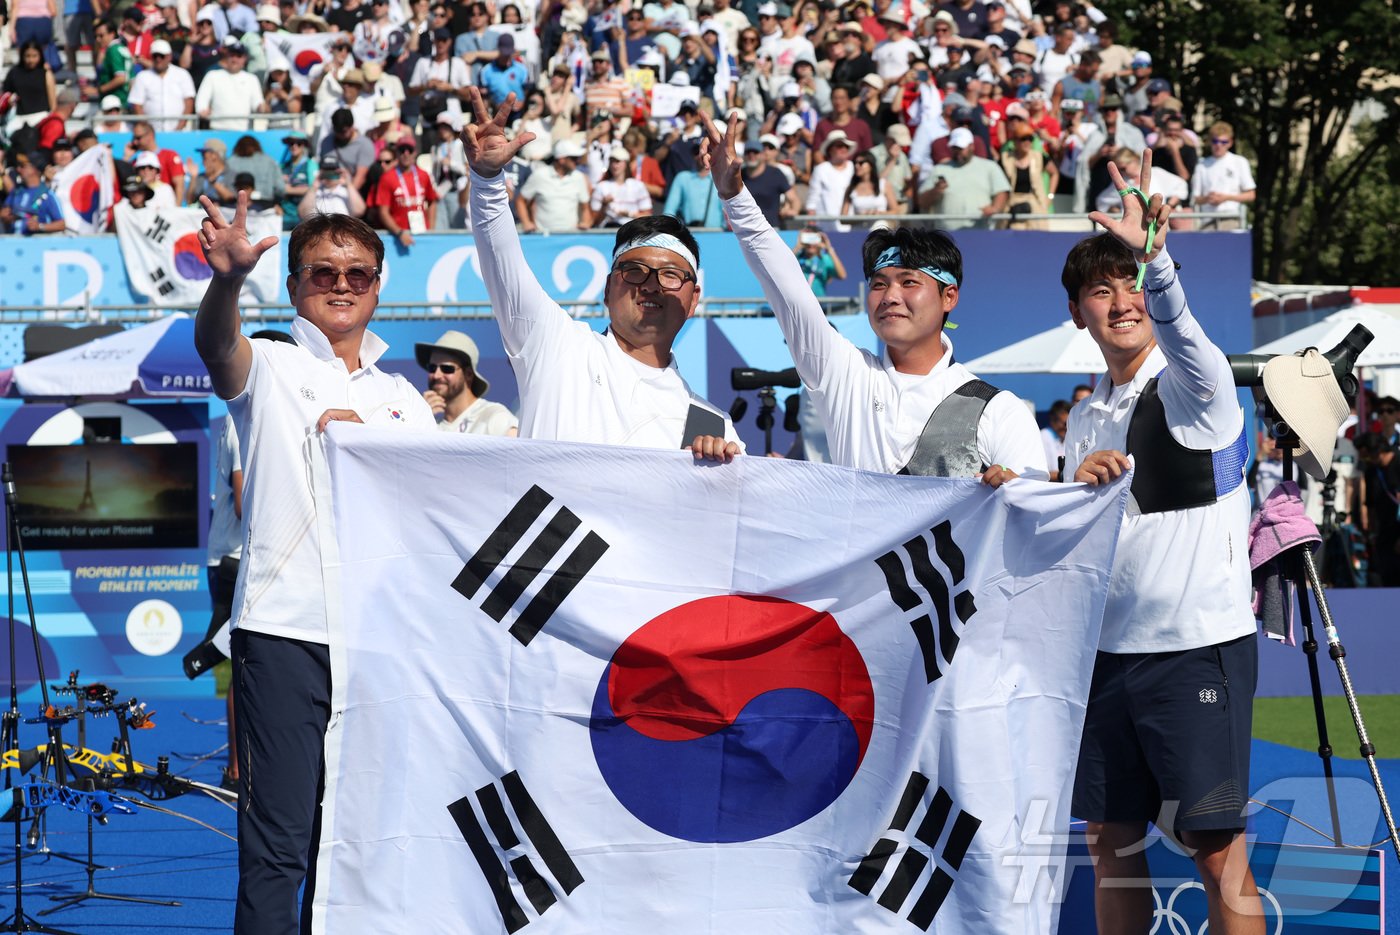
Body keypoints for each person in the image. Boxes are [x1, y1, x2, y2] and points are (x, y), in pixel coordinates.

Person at [194, 194, 435, 935]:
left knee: (362, 846)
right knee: (279, 844)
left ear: (378, 283)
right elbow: (216, 347)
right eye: (322, 271)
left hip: (380, 640)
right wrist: (228, 281)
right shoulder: (269, 363)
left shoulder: (404, 399)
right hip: (285, 634)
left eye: (358, 273)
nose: (341, 283)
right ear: (295, 284)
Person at [1061, 150, 1264, 935]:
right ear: (1079, 311)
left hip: (1193, 647)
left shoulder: (1195, 385)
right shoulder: (1085, 413)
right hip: (1104, 656)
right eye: (1100, 291)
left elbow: (1180, 329)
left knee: (1215, 850)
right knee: (1109, 841)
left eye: (1131, 287)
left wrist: (1158, 261)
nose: (1121, 303)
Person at [701, 112, 1045, 480]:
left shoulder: (999, 409)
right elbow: (789, 289)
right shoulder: (845, 374)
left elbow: (1035, 518)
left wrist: (1018, 492)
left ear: (949, 297)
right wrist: (734, 196)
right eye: (879, 283)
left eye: (909, 282)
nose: (890, 296)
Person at [463, 88, 740, 457]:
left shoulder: (711, 426)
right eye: (635, 271)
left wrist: (721, 478)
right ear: (608, 289)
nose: (652, 285)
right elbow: (501, 260)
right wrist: (486, 179)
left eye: (671, 275)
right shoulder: (557, 344)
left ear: (693, 301)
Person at [416, 330, 519, 435]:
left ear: (468, 374)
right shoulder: (429, 426)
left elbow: (518, 448)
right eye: (432, 368)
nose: (437, 375)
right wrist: (421, 418)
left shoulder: (493, 417)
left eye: (447, 369)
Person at [918, 126, 1010, 229]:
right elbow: (922, 201)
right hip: (947, 236)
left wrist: (995, 208)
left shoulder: (990, 166)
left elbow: (1002, 191)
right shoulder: (939, 169)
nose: (957, 152)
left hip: (982, 233)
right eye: (954, 148)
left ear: (971, 146)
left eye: (960, 148)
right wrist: (935, 190)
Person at [1190, 122, 1255, 231]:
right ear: (1210, 142)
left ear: (1230, 143)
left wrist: (1225, 198)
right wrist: (1208, 198)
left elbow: (1251, 195)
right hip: (1208, 221)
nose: (1219, 145)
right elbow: (1195, 199)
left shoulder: (1239, 162)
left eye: (1224, 142)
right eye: (1215, 141)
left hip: (1231, 218)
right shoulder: (1202, 165)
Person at [516, 139, 591, 232]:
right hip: (543, 237)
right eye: (574, 158)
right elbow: (520, 201)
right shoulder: (539, 175)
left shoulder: (579, 177)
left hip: (571, 238)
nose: (578, 161)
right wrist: (526, 223)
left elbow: (585, 207)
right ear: (561, 159)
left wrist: (585, 222)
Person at [375, 139, 437, 247]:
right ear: (397, 154)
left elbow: (432, 202)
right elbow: (383, 212)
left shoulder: (423, 175)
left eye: (409, 150)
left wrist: (430, 229)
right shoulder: (387, 178)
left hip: (422, 234)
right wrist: (399, 232)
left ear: (415, 152)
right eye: (402, 150)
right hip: (398, 237)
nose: (406, 153)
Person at [196, 37, 268, 130]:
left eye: (239, 56)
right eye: (232, 55)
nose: (235, 59)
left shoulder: (252, 79)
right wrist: (202, 110)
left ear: (244, 59)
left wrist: (261, 107)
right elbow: (202, 100)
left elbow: (257, 103)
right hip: (217, 129)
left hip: (243, 132)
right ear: (227, 56)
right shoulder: (212, 75)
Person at [127, 38, 196, 130]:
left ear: (169, 56)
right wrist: (147, 129)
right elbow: (137, 104)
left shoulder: (182, 75)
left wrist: (180, 127)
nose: (158, 59)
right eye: (155, 56)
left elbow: (189, 101)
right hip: (152, 134)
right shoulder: (142, 77)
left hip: (180, 132)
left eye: (162, 56)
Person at [0, 154, 64, 235]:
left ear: (35, 169)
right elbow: (5, 214)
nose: (18, 169)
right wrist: (4, 216)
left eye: (23, 166)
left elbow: (61, 224)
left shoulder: (48, 195)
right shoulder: (16, 191)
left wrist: (39, 226)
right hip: (11, 243)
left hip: (34, 245)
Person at [298, 155, 367, 218]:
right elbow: (303, 214)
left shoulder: (346, 191)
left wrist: (349, 184)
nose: (330, 174)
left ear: (339, 171)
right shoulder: (314, 191)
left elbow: (359, 211)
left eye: (333, 171)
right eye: (326, 171)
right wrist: (314, 187)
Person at [792, 226, 846, 297]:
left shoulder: (824, 259)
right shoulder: (796, 257)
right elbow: (782, 267)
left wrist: (829, 249)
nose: (811, 244)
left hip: (818, 304)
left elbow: (842, 275)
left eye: (814, 239)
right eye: (808, 239)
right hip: (798, 302)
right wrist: (798, 246)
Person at [1040, 398, 1069, 480]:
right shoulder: (1043, 436)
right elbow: (1041, 473)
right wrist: (1064, 476)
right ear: (1052, 420)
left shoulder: (1068, 436)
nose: (1066, 427)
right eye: (1064, 423)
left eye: (1069, 423)